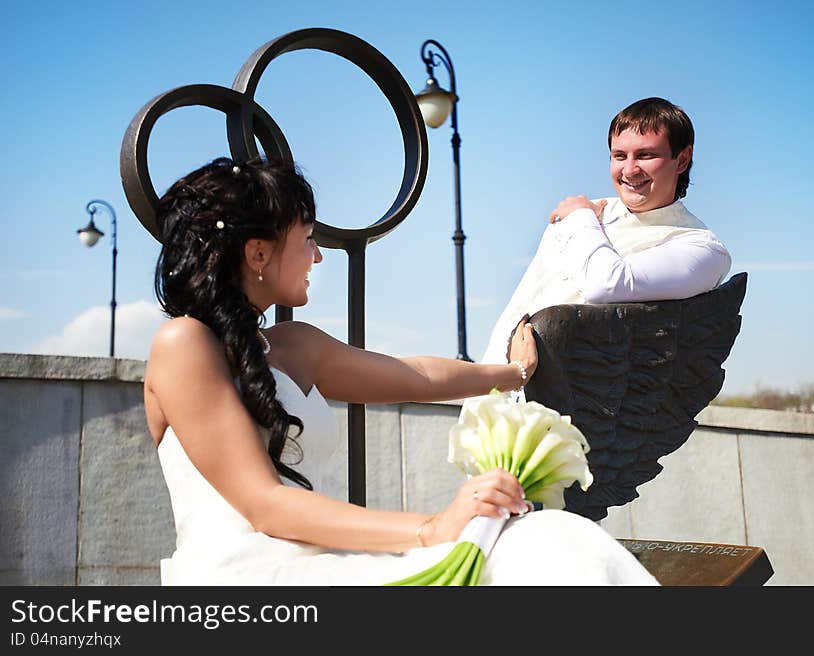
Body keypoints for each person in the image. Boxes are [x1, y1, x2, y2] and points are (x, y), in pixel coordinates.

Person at [144, 156, 658, 585]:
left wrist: (512, 373)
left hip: (317, 564)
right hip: (248, 580)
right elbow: (266, 505)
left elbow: (414, 376)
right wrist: (431, 529)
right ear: (258, 252)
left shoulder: (294, 345)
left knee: (549, 540)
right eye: (306, 238)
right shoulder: (183, 343)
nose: (318, 256)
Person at [481, 97, 732, 366]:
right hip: (497, 385)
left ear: (682, 160)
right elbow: (522, 303)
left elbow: (606, 285)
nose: (629, 170)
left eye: (646, 155)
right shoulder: (586, 214)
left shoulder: (702, 247)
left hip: (582, 403)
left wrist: (580, 217)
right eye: (619, 156)